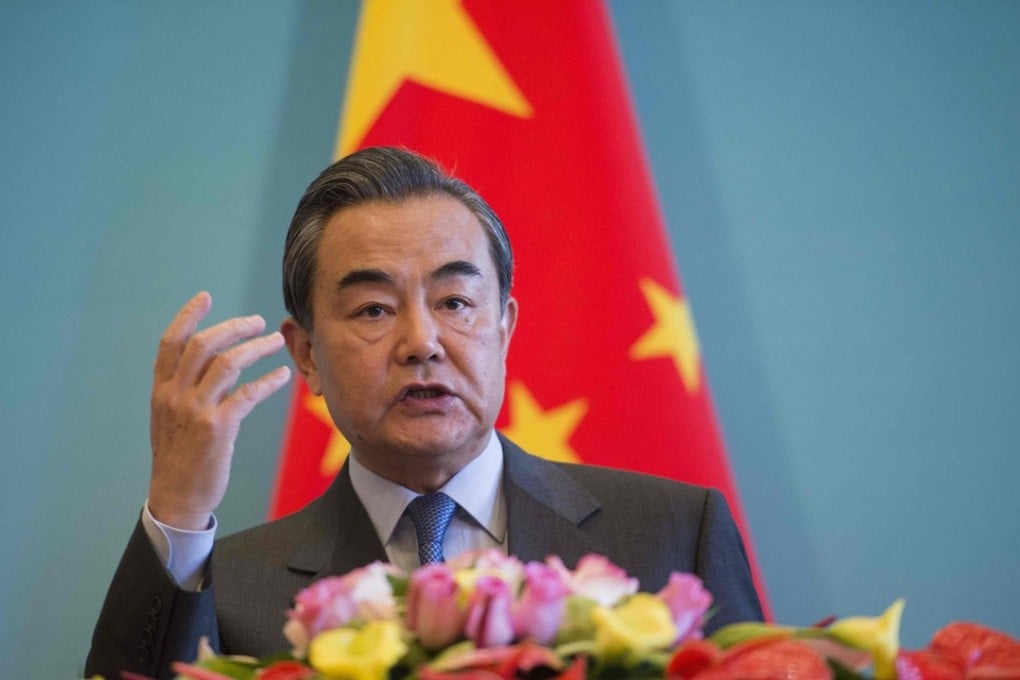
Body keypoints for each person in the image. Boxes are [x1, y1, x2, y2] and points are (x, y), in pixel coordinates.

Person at [85, 146, 763, 679]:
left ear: (504, 329)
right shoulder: (227, 587)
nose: (422, 342)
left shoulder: (674, 536)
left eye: (455, 303)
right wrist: (177, 507)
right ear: (308, 355)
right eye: (374, 310)